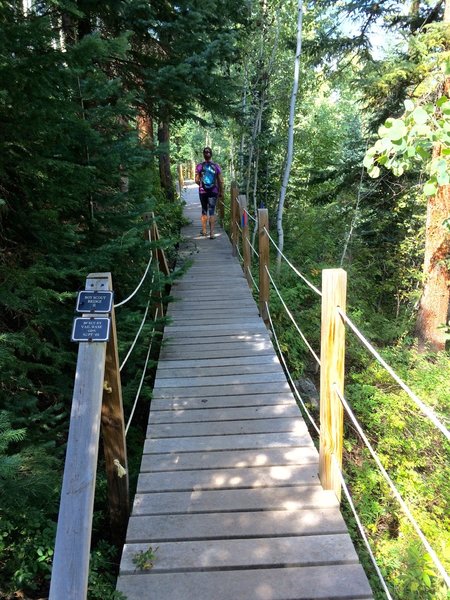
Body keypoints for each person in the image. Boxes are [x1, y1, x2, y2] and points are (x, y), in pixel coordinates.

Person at [195, 147, 224, 239]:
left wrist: (201, 185)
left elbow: (196, 180)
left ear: (204, 155)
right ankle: (211, 233)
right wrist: (221, 191)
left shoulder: (199, 166)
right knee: (212, 211)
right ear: (211, 155)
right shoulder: (216, 166)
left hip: (203, 191)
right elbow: (220, 180)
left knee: (204, 210)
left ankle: (204, 231)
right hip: (213, 191)